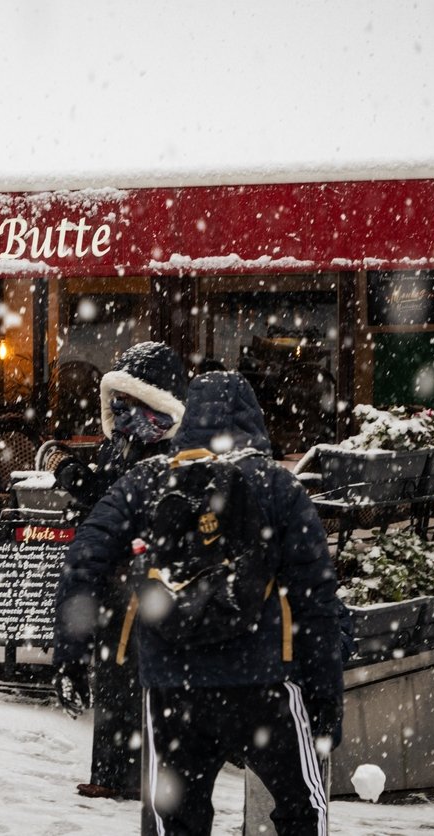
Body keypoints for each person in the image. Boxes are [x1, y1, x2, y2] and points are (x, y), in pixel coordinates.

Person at [52, 371, 345, 835]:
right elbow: (317, 597)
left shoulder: (146, 481)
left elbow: (84, 558)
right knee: (302, 810)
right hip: (264, 683)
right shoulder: (276, 485)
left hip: (173, 685)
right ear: (253, 418)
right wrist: (325, 694)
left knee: (178, 821)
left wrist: (70, 654)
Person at [52, 341, 189, 800]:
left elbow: (124, 506)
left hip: (153, 582)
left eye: (130, 399)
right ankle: (115, 774)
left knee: (142, 679)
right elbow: (108, 500)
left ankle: (143, 776)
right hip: (117, 577)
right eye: (117, 400)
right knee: (116, 674)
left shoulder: (176, 451)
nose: (121, 409)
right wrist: (73, 475)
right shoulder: (125, 443)